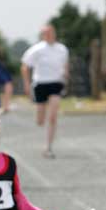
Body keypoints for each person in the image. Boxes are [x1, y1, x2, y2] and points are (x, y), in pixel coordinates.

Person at [21, 25, 69, 158]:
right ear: (42, 35)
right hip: (40, 83)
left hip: (56, 83)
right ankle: (41, 119)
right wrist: (26, 84)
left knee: (53, 116)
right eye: (45, 33)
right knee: (40, 120)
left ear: (54, 33)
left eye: (51, 32)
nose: (49, 35)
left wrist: (66, 77)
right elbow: (25, 66)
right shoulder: (37, 49)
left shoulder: (62, 49)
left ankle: (48, 147)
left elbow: (65, 66)